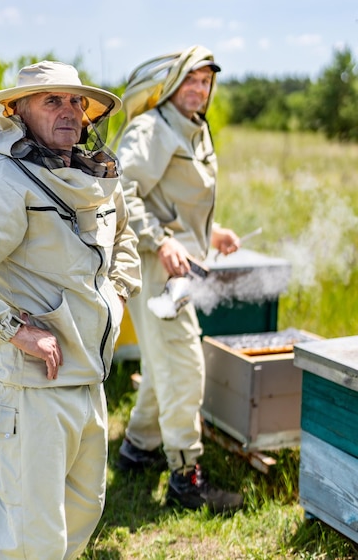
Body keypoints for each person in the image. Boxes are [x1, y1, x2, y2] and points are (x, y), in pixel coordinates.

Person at [0, 61, 141, 559]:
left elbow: (126, 235)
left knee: (84, 510)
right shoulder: (4, 179)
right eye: (52, 101)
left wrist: (121, 292)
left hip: (89, 378)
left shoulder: (92, 176)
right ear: (17, 112)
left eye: (75, 102)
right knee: (32, 538)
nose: (69, 112)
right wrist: (14, 328)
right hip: (35, 386)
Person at [114, 45, 244, 513]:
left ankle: (137, 448)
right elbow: (119, 187)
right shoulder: (153, 128)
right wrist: (160, 240)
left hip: (178, 265)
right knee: (185, 365)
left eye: (207, 81)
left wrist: (213, 233)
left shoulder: (193, 131)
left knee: (161, 359)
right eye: (192, 79)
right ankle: (187, 477)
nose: (200, 88)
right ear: (172, 82)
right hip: (156, 267)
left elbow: (179, 200)